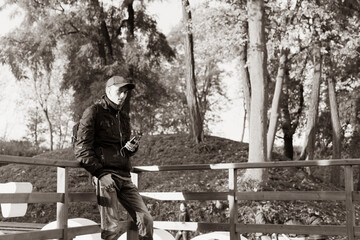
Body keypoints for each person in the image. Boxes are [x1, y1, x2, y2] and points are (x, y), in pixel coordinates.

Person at [74, 75, 153, 240]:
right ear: (108, 91)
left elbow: (123, 149)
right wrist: (101, 174)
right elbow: (82, 150)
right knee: (112, 229)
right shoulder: (93, 112)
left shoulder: (123, 117)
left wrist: (130, 148)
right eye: (120, 91)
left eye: (125, 92)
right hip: (106, 176)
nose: (123, 95)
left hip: (125, 176)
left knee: (146, 219)